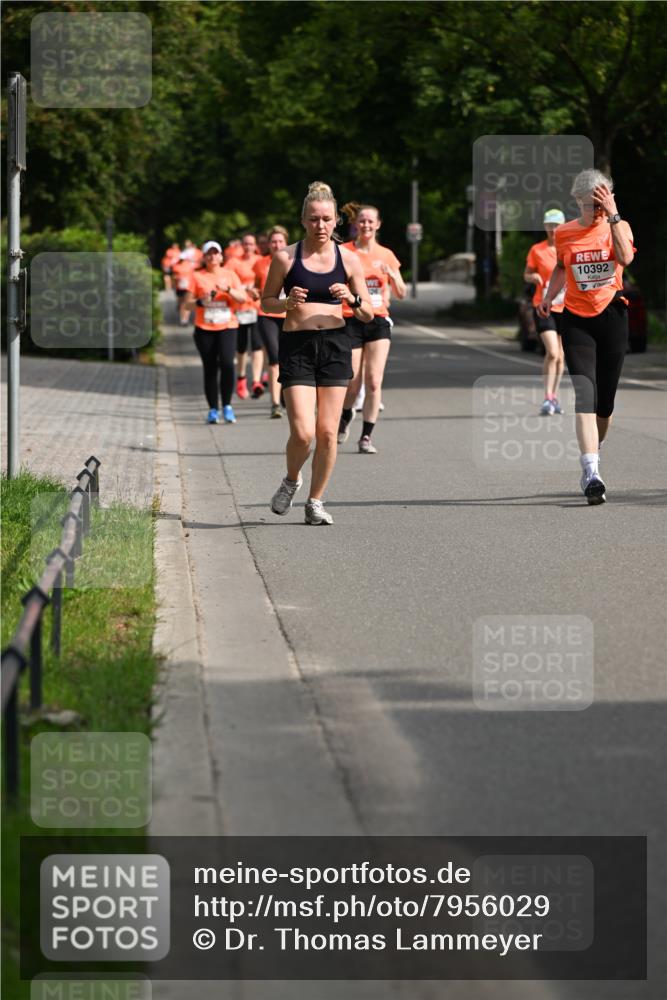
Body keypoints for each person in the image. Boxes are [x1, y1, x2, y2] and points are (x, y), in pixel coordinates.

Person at [261, 181, 373, 525]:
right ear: (303, 221)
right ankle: (292, 480)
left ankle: (315, 500)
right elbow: (265, 301)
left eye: (326, 219)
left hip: (336, 345)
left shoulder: (349, 259)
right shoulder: (286, 258)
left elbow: (368, 311)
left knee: (327, 432)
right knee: (303, 432)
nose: (320, 226)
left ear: (336, 220)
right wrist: (286, 302)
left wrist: (352, 299)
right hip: (298, 347)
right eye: (313, 219)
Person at [539, 169, 636, 505]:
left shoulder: (618, 226)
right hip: (576, 320)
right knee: (585, 393)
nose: (595, 208)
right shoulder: (565, 233)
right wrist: (549, 296)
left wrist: (613, 215)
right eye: (589, 202)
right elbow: (562, 267)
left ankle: (596, 447)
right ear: (577, 200)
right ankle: (591, 471)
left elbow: (625, 258)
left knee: (604, 403)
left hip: (612, 315)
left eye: (600, 200)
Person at [337, 203, 405, 452]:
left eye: (370, 221)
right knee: (353, 382)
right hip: (351, 318)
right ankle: (345, 415)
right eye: (362, 221)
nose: (366, 225)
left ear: (378, 225)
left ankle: (366, 436)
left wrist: (394, 275)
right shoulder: (344, 252)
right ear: (356, 225)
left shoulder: (386, 255)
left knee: (374, 381)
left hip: (377, 320)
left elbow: (401, 293)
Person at [183, 241, 247, 424]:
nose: (212, 256)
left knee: (227, 363)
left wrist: (228, 290)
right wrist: (201, 301)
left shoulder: (230, 275)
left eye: (215, 253)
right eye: (208, 253)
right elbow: (187, 304)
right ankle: (213, 409)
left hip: (228, 326)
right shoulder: (196, 276)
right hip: (204, 328)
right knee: (210, 367)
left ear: (221, 256)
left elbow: (243, 298)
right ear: (204, 257)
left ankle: (227, 406)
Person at [524, 209, 566, 415]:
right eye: (549, 225)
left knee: (561, 356)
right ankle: (547, 396)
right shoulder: (537, 250)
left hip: (566, 308)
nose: (552, 229)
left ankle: (554, 397)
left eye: (556, 225)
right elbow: (527, 274)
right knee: (553, 352)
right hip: (543, 307)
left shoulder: (569, 248)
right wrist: (534, 278)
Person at [254, 226, 289, 418]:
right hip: (267, 314)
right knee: (274, 357)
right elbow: (251, 284)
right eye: (273, 241)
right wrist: (251, 291)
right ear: (268, 244)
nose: (277, 245)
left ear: (286, 243)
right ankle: (275, 403)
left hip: (289, 314)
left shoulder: (294, 260)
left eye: (280, 241)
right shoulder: (260, 263)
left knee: (287, 358)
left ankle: (286, 395)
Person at [227, 233, 265, 400]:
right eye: (246, 244)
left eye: (251, 244)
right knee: (241, 347)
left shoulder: (260, 260)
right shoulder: (234, 262)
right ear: (242, 245)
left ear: (255, 245)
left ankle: (256, 381)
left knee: (257, 345)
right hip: (240, 309)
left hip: (256, 308)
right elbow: (225, 280)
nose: (248, 247)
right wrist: (243, 289)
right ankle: (241, 378)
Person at [171, 252, 197, 326]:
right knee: (183, 303)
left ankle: (184, 319)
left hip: (188, 287)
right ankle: (183, 318)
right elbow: (174, 277)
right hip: (180, 287)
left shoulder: (190, 266)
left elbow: (194, 276)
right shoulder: (177, 266)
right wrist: (175, 283)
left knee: (186, 303)